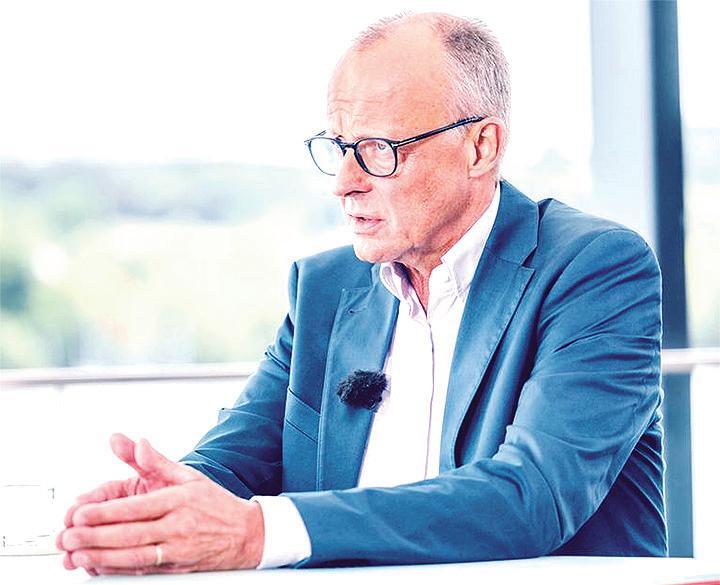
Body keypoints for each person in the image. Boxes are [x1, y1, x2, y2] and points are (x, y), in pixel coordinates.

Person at [56, 12, 666, 575]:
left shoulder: (594, 269)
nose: (344, 183)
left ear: (480, 147)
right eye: (340, 148)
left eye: (378, 150)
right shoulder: (325, 289)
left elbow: (532, 497)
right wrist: (164, 507)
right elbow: (237, 461)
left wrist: (260, 532)